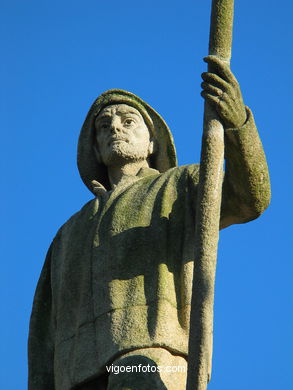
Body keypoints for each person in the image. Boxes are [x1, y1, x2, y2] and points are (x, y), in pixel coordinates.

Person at [28, 56, 270, 390]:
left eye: (128, 121)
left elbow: (250, 198)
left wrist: (237, 123)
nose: (114, 127)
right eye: (104, 125)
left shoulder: (180, 185)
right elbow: (43, 337)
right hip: (76, 376)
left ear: (152, 142)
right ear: (95, 149)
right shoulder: (68, 234)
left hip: (153, 355)